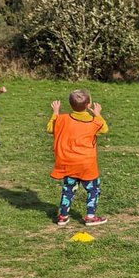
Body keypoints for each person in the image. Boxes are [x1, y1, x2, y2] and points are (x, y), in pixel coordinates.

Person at [48, 89, 109, 226]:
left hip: (68, 163)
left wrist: (55, 113)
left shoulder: (62, 119)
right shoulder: (94, 122)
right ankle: (90, 217)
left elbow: (50, 129)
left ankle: (63, 217)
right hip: (87, 165)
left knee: (68, 190)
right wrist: (98, 114)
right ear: (89, 105)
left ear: (70, 105)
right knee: (93, 189)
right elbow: (104, 129)